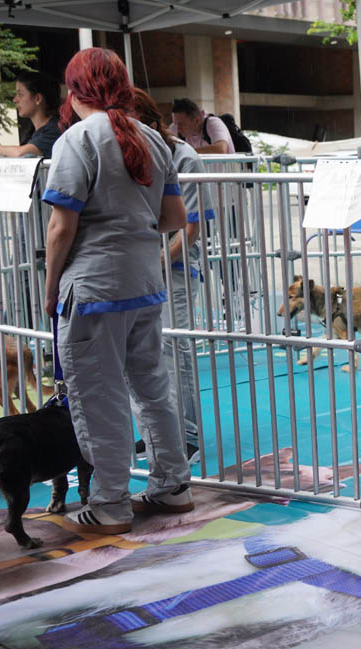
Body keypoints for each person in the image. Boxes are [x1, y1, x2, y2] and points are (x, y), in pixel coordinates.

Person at [42, 48, 192, 534]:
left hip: (93, 287)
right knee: (152, 387)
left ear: (74, 90)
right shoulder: (153, 138)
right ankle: (173, 486)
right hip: (145, 283)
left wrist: (49, 290)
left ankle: (110, 503)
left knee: (97, 395)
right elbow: (173, 219)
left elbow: (60, 229)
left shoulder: (75, 141)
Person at [131, 87, 213, 465]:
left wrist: (157, 263)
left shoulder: (186, 158)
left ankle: (188, 434)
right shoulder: (131, 155)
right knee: (141, 354)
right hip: (140, 270)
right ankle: (152, 433)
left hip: (176, 271)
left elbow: (190, 229)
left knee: (176, 350)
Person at [0, 72, 62, 158]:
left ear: (38, 98)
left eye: (20, 94)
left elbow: (20, 153)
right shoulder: (34, 131)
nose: (15, 100)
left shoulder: (54, 130)